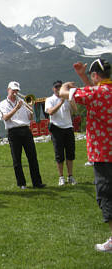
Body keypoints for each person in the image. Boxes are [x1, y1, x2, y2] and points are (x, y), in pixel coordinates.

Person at [59, 58, 112, 253]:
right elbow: (95, 94)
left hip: (103, 153)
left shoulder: (95, 92)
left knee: (106, 195)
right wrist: (82, 76)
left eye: (91, 76)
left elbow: (66, 94)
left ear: (96, 76)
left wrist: (65, 86)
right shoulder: (102, 91)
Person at [0, 81, 45, 189]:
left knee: (32, 157)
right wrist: (16, 108)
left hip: (26, 130)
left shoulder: (23, 102)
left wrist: (30, 107)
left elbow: (30, 118)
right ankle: (21, 183)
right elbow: (5, 118)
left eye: (17, 90)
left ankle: (37, 182)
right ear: (8, 90)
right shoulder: (2, 104)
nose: (15, 92)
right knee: (16, 159)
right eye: (13, 90)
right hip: (13, 131)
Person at [45, 80, 77, 186]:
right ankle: (61, 177)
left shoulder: (67, 98)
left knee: (70, 153)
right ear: (53, 88)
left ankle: (70, 176)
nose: (58, 89)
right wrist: (61, 102)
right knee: (59, 154)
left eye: (60, 87)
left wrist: (70, 97)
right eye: (56, 87)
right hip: (57, 128)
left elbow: (75, 111)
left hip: (68, 127)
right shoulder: (50, 99)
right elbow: (50, 112)